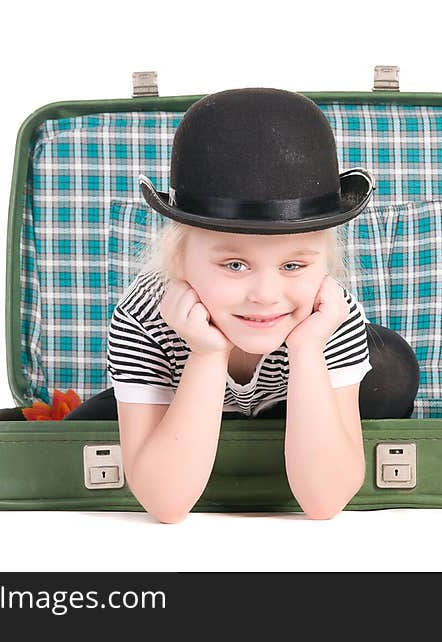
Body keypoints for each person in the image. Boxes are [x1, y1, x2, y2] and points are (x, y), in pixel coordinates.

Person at [65, 88, 419, 523]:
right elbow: (165, 504)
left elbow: (324, 503)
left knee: (392, 370)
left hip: (292, 400)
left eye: (293, 264)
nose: (266, 294)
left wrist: (308, 352)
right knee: (78, 430)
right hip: (180, 398)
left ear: (323, 263)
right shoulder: (144, 315)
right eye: (234, 264)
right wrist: (207, 354)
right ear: (178, 260)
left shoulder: (329, 313)